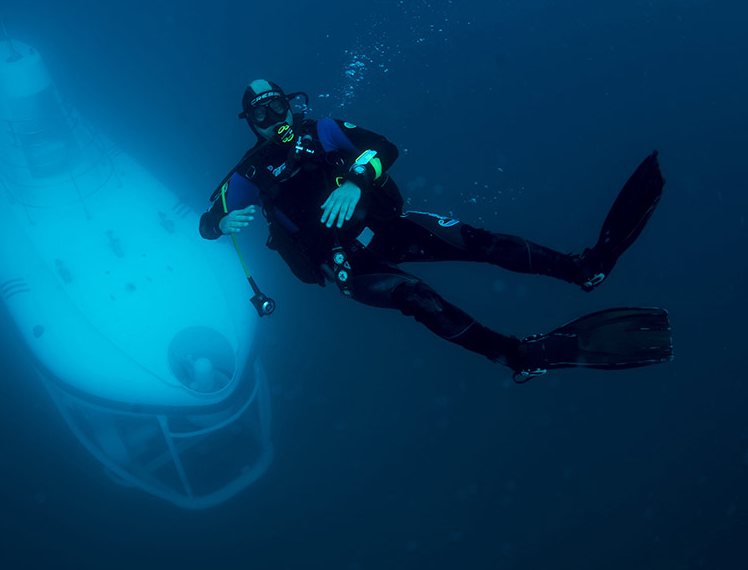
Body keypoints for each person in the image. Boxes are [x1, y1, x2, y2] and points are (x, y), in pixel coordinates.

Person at [199, 79, 673, 381]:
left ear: (290, 104)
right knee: (415, 298)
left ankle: (583, 269)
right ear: (251, 124)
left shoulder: (322, 131)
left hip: (384, 225)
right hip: (343, 263)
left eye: (277, 106)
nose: (274, 119)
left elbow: (383, 146)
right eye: (261, 115)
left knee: (477, 241)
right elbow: (206, 224)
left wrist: (356, 181)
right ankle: (519, 356)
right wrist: (220, 221)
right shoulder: (248, 174)